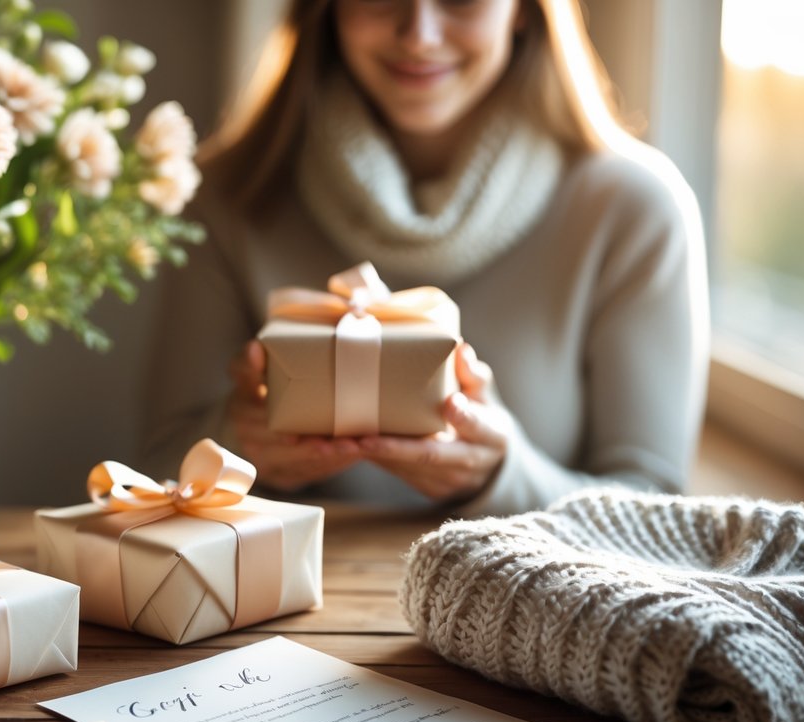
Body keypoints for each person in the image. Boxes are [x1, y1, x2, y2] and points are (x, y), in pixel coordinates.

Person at [140, 0, 709, 517]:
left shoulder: (636, 210)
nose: (419, 33)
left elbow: (654, 512)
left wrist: (505, 474)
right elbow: (155, 467)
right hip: (272, 621)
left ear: (526, 11)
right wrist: (239, 443)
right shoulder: (226, 194)